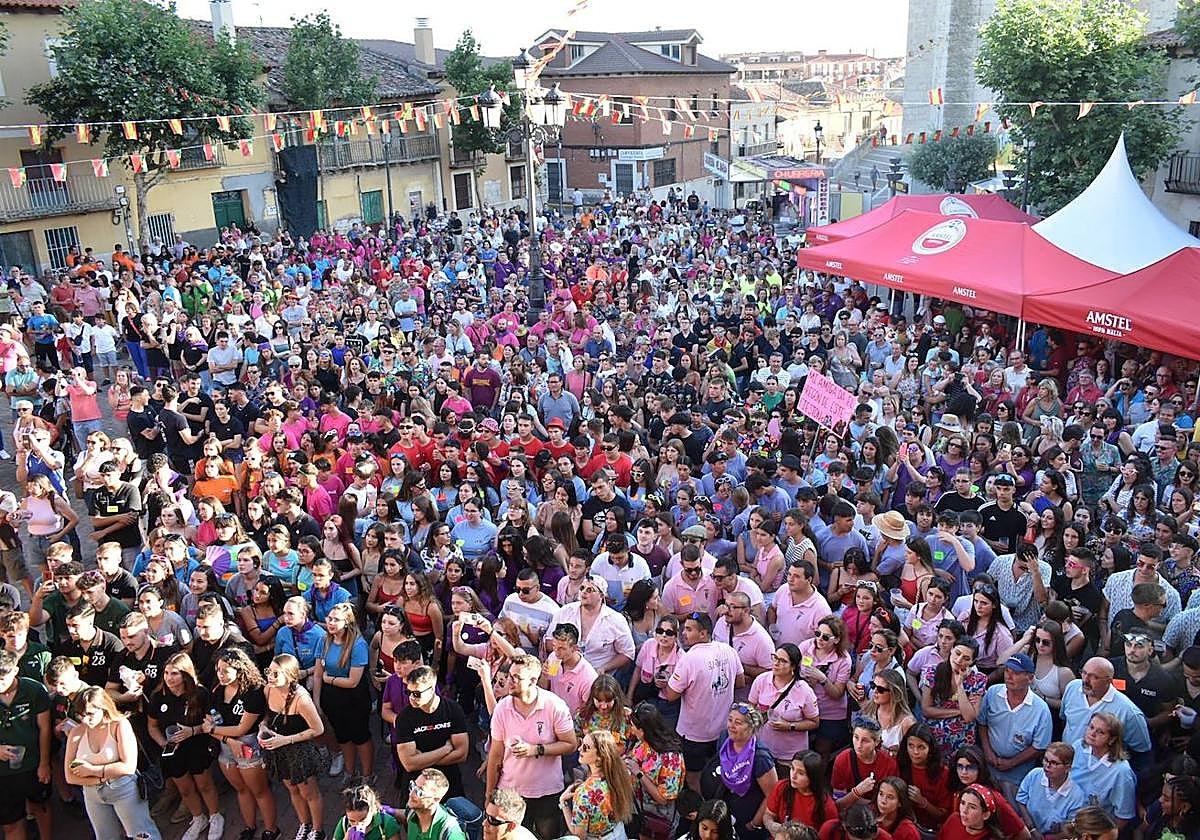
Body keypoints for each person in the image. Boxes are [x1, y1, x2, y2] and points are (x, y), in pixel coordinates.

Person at [486, 654, 578, 840]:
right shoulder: (502, 709)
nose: (509, 681)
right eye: (510, 676)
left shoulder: (554, 706)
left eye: (516, 678)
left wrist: (536, 750)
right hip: (511, 794)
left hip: (547, 792)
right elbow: (495, 756)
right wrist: (489, 792)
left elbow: (571, 744)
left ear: (533, 680)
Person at [64, 685, 161, 840]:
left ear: (103, 708)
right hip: (92, 794)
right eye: (81, 715)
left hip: (124, 790)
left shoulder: (119, 725)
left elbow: (128, 766)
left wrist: (92, 771)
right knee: (105, 837)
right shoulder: (76, 733)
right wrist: (101, 778)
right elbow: (70, 775)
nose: (85, 720)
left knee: (142, 834)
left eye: (90, 714)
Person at [664, 611, 745, 790]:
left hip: (693, 733)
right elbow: (740, 682)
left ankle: (700, 811)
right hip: (723, 730)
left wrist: (665, 682)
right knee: (719, 773)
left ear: (703, 633)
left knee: (693, 778)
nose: (683, 633)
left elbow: (671, 695)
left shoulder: (690, 658)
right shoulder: (728, 650)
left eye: (689, 629)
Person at [205, 647, 279, 840]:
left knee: (259, 790)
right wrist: (226, 739)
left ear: (240, 670)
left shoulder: (253, 692)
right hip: (226, 745)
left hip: (249, 745)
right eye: (218, 669)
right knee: (241, 789)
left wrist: (213, 731)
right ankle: (249, 826)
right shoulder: (217, 689)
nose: (220, 675)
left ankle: (272, 829)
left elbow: (241, 729)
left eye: (225, 671)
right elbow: (209, 720)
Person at [146, 652, 221, 840]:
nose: (169, 678)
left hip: (197, 746)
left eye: (174, 674)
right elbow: (152, 726)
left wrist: (192, 731)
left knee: (204, 785)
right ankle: (198, 818)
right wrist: (164, 743)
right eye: (166, 673)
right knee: (185, 788)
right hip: (173, 750)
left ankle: (215, 816)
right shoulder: (158, 697)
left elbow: (213, 724)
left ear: (185, 674)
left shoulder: (200, 694)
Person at [260, 654, 326, 840]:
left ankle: (318, 830)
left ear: (290, 676)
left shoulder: (301, 698)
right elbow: (267, 715)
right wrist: (262, 727)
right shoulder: (268, 690)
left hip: (300, 751)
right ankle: (304, 824)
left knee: (309, 793)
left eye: (276, 674)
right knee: (293, 790)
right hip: (279, 749)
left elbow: (318, 728)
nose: (270, 677)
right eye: (269, 672)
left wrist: (286, 740)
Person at [975, 652, 1052, 791]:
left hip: (1018, 776)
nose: (1009, 676)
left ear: (1030, 678)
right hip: (988, 767)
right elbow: (982, 723)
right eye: (1007, 671)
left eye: (1015, 672)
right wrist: (987, 751)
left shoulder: (1041, 709)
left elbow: (1039, 747)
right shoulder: (992, 693)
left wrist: (1011, 763)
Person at [394, 665, 470, 798]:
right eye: (408, 692)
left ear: (432, 689)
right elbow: (409, 764)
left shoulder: (453, 710)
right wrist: (445, 749)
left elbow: (462, 754)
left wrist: (421, 759)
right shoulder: (404, 718)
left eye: (416, 693)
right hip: (417, 783)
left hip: (449, 781)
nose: (411, 697)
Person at [0, 649, 52, 840]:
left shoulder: (34, 690)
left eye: (2, 679)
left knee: (41, 808)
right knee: (11, 822)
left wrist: (44, 764)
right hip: (3, 773)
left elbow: (44, 729)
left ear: (15, 671)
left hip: (33, 765)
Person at [560, 728, 635, 840]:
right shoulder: (621, 776)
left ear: (600, 757)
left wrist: (563, 803)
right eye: (581, 744)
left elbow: (579, 835)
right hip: (619, 832)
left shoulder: (584, 794)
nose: (580, 749)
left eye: (586, 747)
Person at [625, 702, 685, 840]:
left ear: (644, 730)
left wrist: (639, 773)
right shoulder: (644, 742)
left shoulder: (670, 759)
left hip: (658, 815)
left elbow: (663, 799)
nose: (632, 730)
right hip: (640, 809)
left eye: (634, 727)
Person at [1067, 711, 1137, 826]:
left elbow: (1123, 816)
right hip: (1068, 815)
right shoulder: (1078, 746)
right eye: (1091, 727)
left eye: (1100, 732)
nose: (1092, 733)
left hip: (1096, 826)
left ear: (1112, 739)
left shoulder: (1121, 771)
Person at [1015, 742, 1089, 840]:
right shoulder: (1034, 775)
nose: (1047, 765)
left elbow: (1072, 828)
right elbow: (1021, 801)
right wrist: (1032, 829)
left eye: (1054, 763)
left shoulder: (1077, 796)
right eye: (1045, 760)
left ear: (1068, 768)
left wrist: (1048, 838)